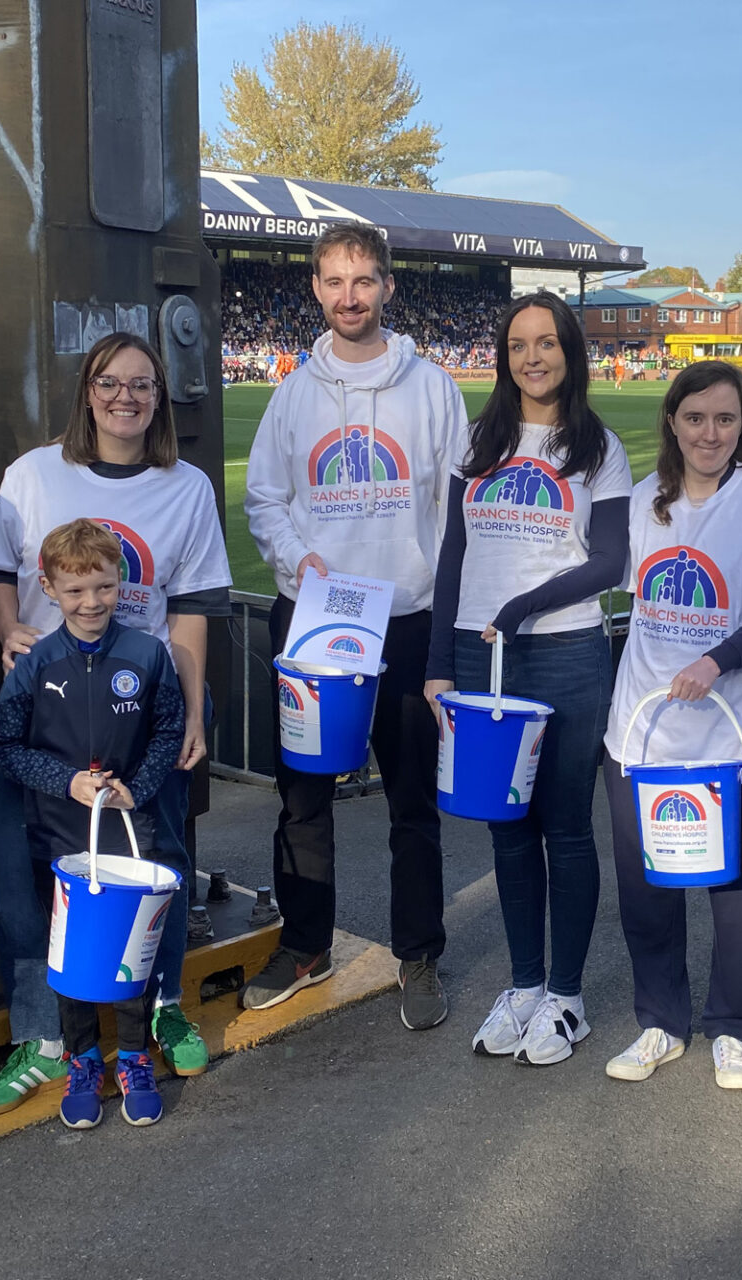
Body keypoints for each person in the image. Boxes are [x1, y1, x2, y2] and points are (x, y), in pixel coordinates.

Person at [0, 333, 231, 1115]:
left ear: (160, 397)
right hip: (48, 713)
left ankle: (160, 1009)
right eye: (111, 383)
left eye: (143, 385)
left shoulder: (185, 487)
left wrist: (186, 711)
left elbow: (192, 611)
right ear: (88, 390)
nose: (127, 397)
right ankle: (46, 1041)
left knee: (159, 863)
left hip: (143, 709)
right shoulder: (35, 472)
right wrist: (10, 628)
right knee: (33, 876)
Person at [244, 222, 467, 1029]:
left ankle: (420, 955)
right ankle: (305, 945)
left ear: (388, 287)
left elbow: (456, 510)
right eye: (335, 281)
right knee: (303, 797)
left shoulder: (433, 387)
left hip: (405, 622)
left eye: (364, 280)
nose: (349, 296)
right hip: (314, 624)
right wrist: (300, 562)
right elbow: (265, 498)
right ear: (315, 287)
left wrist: (444, 620)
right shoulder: (295, 392)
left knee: (412, 804)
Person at [424, 293, 631, 1065]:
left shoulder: (597, 447)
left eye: (547, 343)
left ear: (571, 353)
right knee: (506, 828)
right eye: (518, 344)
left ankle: (567, 997)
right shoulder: (478, 439)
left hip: (566, 653)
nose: (533, 357)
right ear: (503, 355)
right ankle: (523, 984)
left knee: (565, 829)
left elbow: (611, 561)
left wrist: (527, 605)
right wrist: (440, 665)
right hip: (482, 658)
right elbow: (452, 553)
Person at [600, 361, 742, 1090]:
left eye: (724, 419)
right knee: (647, 893)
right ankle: (660, 1021)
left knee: (738, 898)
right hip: (642, 737)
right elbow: (597, 575)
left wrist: (715, 662)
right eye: (694, 418)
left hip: (737, 741)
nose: (709, 433)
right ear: (673, 424)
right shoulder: (643, 502)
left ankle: (733, 1029)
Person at [0, 519, 188, 1130]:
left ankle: (132, 1057)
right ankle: (81, 1060)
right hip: (62, 835)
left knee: (130, 949)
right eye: (75, 592)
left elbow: (168, 732)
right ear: (48, 589)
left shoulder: (148, 653)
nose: (91, 602)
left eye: (101, 587)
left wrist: (138, 789)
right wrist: (66, 782)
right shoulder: (34, 662)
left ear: (119, 581)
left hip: (130, 831)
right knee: (75, 956)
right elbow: (3, 747)